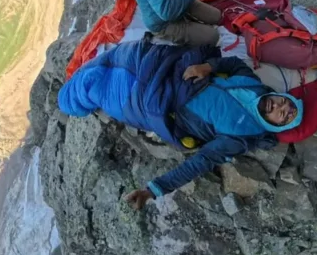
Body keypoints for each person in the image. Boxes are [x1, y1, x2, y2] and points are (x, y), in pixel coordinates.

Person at [57, 40, 303, 203]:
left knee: (90, 86)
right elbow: (234, 63)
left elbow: (200, 162)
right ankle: (84, 75)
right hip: (168, 71)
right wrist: (208, 66)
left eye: (284, 115)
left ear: (275, 125)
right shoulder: (254, 84)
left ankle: (69, 98)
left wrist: (153, 191)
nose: (281, 107)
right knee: (119, 57)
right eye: (286, 103)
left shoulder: (241, 137)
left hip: (154, 101)